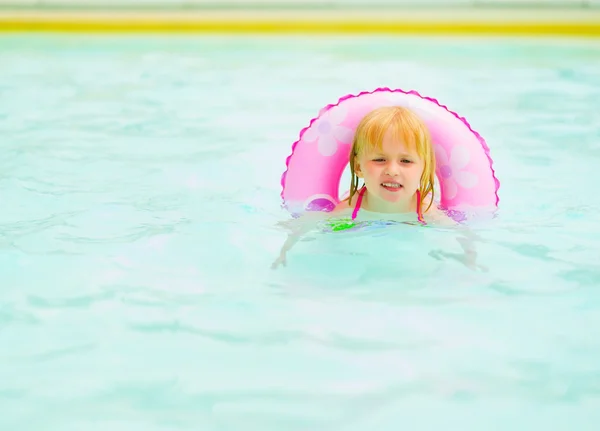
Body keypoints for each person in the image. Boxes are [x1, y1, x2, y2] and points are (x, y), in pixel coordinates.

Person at [272, 106, 485, 270]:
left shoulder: (425, 209)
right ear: (358, 167)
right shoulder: (350, 207)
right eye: (380, 159)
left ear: (425, 168)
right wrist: (286, 251)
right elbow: (314, 229)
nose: (392, 170)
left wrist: (469, 259)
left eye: (406, 161)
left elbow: (460, 233)